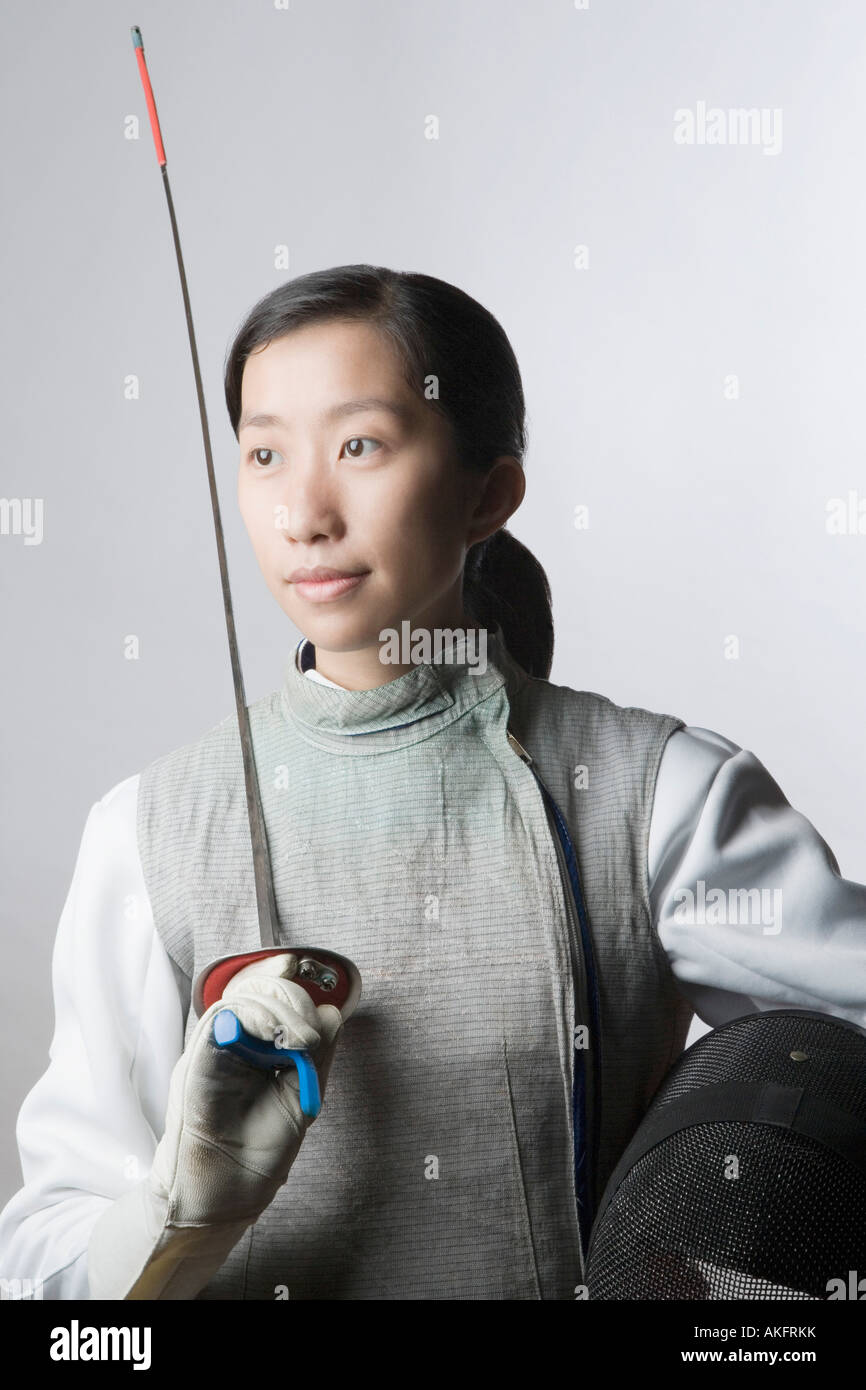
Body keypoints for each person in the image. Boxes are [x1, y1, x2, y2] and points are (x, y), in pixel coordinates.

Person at [1, 265, 864, 1301]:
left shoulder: (651, 795)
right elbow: (42, 1272)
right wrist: (173, 1213)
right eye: (264, 452)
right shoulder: (149, 832)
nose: (304, 512)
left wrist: (724, 1277)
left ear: (486, 492)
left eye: (358, 445)